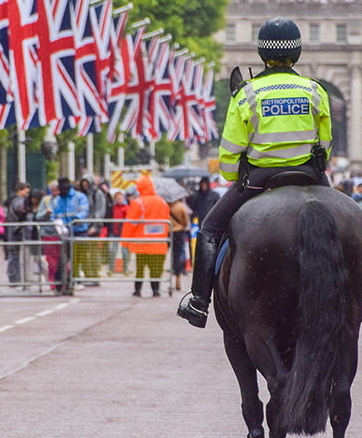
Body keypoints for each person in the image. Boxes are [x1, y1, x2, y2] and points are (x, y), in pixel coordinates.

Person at [177, 17, 332, 328]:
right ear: (296, 54)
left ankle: (198, 301)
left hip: (260, 180)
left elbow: (229, 158)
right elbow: (324, 146)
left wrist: (237, 175)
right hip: (309, 176)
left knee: (208, 230)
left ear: (263, 54)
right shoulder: (315, 91)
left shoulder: (246, 94)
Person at [123, 175, 170, 297]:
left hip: (141, 243)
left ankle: (138, 290)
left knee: (139, 268)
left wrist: (125, 241)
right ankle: (156, 290)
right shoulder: (163, 202)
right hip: (159, 243)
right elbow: (166, 222)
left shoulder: (138, 202)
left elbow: (130, 224)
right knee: (155, 268)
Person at [51, 177, 89, 287]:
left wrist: (76, 219)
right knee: (62, 258)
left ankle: (73, 280)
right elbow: (55, 214)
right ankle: (61, 283)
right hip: (65, 232)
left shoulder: (79, 197)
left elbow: (84, 210)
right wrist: (56, 222)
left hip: (79, 231)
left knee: (76, 258)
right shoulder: (59, 199)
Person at [77, 174, 108, 284]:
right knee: (84, 253)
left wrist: (95, 226)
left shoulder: (97, 193)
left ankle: (94, 276)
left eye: (87, 182)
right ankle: (88, 275)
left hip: (93, 228)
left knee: (93, 253)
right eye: (83, 182)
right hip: (83, 228)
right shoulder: (81, 194)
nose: (85, 184)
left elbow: (100, 211)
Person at [4, 182, 32, 287]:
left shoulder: (11, 200)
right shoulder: (19, 200)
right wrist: (25, 209)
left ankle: (13, 277)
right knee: (14, 254)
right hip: (16, 231)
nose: (27, 194)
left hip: (12, 230)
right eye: (26, 191)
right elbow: (19, 208)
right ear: (20, 190)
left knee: (13, 254)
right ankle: (15, 278)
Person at [169, 194, 191, 291]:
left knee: (168, 255)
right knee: (177, 255)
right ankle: (178, 278)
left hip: (168, 232)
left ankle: (167, 278)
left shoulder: (166, 205)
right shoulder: (180, 206)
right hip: (179, 232)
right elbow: (185, 221)